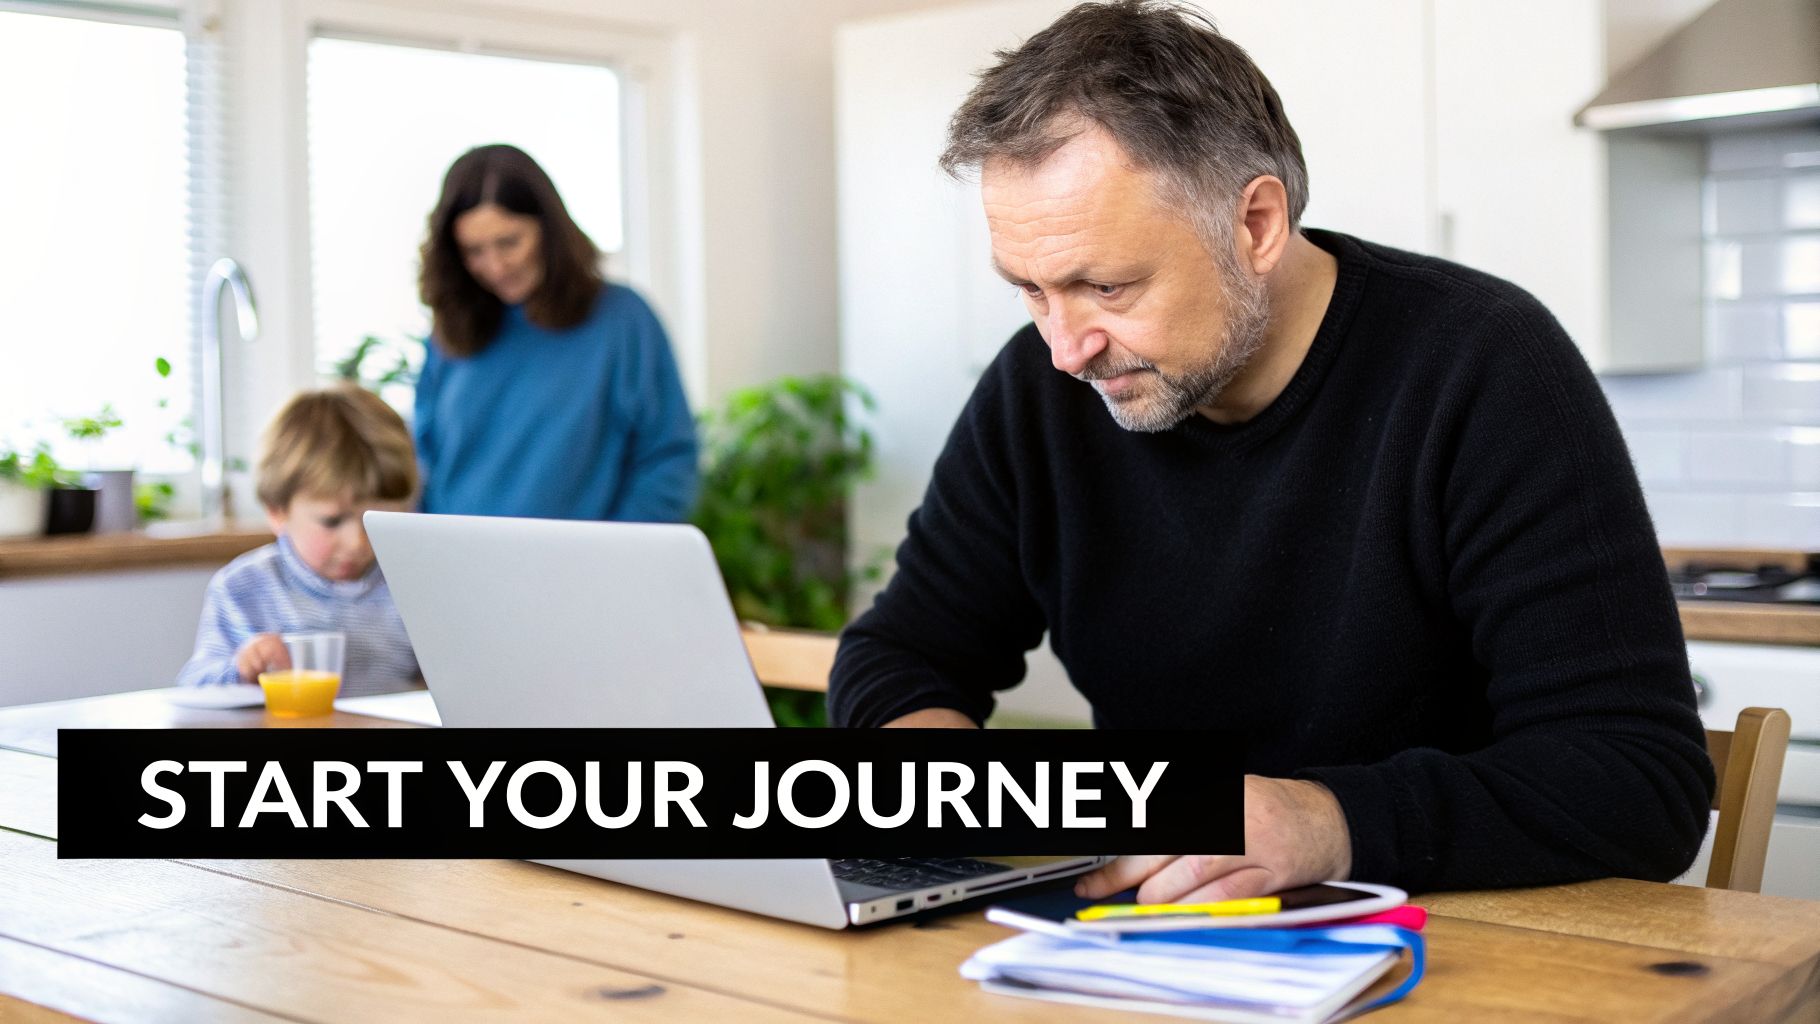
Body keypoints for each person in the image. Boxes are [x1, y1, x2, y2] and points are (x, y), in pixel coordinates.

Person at [828, 0, 1713, 902]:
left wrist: (1330, 824)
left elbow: (1641, 779)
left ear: (1255, 224)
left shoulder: (1482, 364)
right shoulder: (1039, 390)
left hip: (1450, 948)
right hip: (1139, 947)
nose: (1067, 347)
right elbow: (899, 655)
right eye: (1031, 290)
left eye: (1105, 285)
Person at [414, 143, 698, 522]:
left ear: (549, 229)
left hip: (584, 569)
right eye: (474, 251)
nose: (495, 266)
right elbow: (424, 455)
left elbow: (667, 457)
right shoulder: (452, 329)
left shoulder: (623, 321)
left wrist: (617, 554)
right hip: (458, 563)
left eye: (509, 242)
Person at [176, 385, 420, 697]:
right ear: (277, 511)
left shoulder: (410, 587)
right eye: (332, 521)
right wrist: (240, 668)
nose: (358, 542)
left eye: (377, 520)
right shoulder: (242, 588)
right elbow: (193, 689)